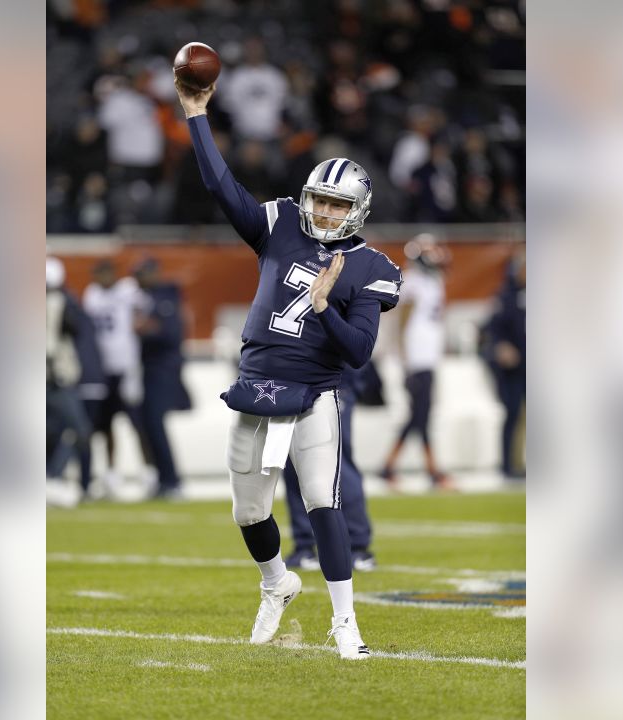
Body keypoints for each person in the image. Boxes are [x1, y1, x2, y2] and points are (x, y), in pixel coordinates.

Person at [178, 73, 401, 660]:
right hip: (256, 386)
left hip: (316, 393)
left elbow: (357, 351)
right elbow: (222, 188)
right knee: (248, 510)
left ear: (357, 211)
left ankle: (345, 620)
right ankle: (277, 581)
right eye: (320, 200)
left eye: (337, 204)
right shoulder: (277, 225)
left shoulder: (369, 266)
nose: (325, 212)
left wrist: (325, 308)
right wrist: (197, 115)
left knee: (322, 503)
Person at [283, 365, 376, 571]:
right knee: (294, 463)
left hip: (330, 380)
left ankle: (357, 546)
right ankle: (305, 545)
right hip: (291, 380)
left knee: (336, 460)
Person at [380, 234, 454, 490]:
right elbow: (399, 322)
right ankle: (432, 471)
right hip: (416, 358)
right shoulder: (412, 282)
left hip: (427, 357)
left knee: (419, 416)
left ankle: (390, 467)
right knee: (421, 415)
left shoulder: (433, 281)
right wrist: (402, 357)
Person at [82, 258, 152, 497]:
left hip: (127, 367)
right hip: (103, 370)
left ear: (111, 273)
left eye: (102, 273)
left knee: (137, 424)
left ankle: (148, 474)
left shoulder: (127, 290)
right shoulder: (91, 294)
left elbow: (146, 305)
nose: (99, 278)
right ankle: (112, 475)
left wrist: (139, 321)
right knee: (105, 425)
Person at [132, 257, 192, 500]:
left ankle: (171, 480)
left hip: (163, 370)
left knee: (155, 424)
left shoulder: (166, 297)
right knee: (149, 425)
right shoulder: (151, 298)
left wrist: (145, 330)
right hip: (150, 369)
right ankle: (164, 478)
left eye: (141, 274)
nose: (138, 279)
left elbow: (169, 333)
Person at [482, 252, 526, 479]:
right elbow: (491, 330)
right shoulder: (505, 296)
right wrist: (501, 346)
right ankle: (509, 465)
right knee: (512, 413)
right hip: (513, 369)